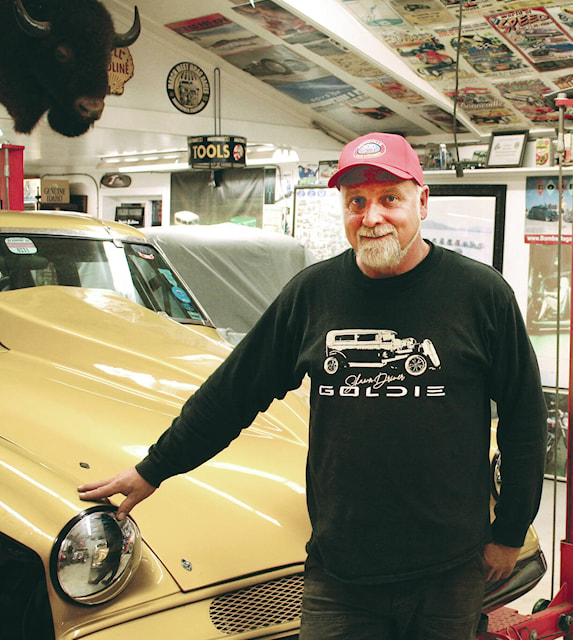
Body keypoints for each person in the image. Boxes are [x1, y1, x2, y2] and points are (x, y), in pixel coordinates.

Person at [78, 132, 548, 640]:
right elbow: (233, 392)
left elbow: (525, 419)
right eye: (357, 202)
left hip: (449, 570)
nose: (372, 218)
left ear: (422, 201)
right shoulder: (313, 294)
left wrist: (510, 531)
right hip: (339, 569)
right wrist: (155, 468)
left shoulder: (480, 295)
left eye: (389, 199)